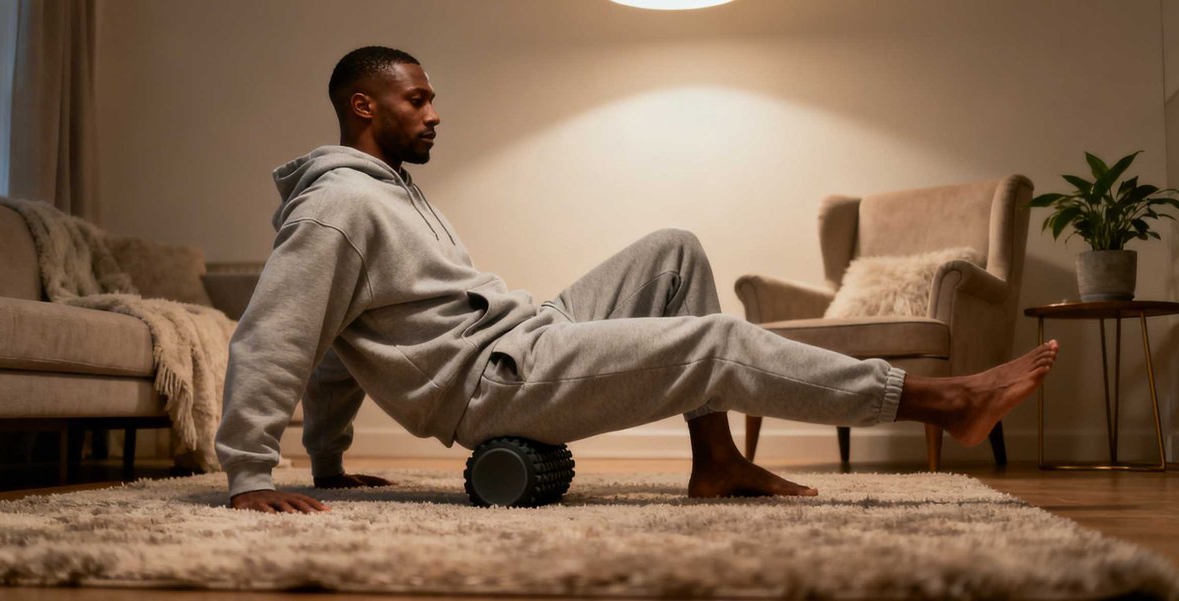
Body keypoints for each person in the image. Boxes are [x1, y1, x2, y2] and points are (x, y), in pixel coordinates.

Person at [215, 46, 1059, 514]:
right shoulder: (338, 207)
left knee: (673, 249)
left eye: (433, 99)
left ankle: (717, 460)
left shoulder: (389, 191)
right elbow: (282, 331)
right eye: (418, 100)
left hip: (522, 338)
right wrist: (254, 472)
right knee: (716, 341)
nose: (435, 114)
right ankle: (942, 402)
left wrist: (329, 459)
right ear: (364, 107)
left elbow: (342, 336)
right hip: (489, 384)